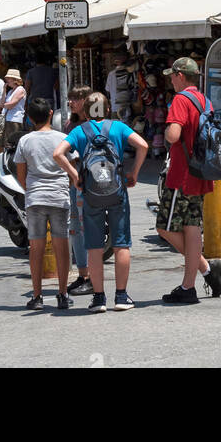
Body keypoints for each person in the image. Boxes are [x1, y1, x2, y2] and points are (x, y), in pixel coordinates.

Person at [53, 106, 148, 312]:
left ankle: (98, 298)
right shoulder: (119, 127)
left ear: (86, 113)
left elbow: (58, 153)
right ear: (107, 109)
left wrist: (75, 175)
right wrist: (134, 172)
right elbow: (143, 145)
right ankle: (121, 296)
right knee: (121, 244)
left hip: (91, 195)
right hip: (117, 191)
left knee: (94, 247)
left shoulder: (79, 131)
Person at [156, 57, 221, 305]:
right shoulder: (204, 100)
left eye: (172, 76)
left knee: (164, 227)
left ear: (181, 76)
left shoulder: (181, 100)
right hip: (200, 173)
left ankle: (201, 272)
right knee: (192, 227)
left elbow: (174, 135)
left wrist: (165, 131)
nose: (170, 80)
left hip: (181, 175)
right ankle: (196, 279)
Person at [13, 97, 73, 311]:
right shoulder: (62, 138)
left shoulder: (25, 141)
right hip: (59, 197)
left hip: (35, 198)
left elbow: (21, 175)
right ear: (50, 114)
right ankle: (63, 293)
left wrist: (30, 190)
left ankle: (37, 296)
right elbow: (72, 167)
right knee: (61, 246)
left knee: (36, 248)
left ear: (29, 118)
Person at [62, 86, 95, 295]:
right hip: (74, 183)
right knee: (75, 228)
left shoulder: (94, 125)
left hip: (90, 182)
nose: (71, 102)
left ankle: (91, 276)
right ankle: (83, 275)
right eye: (71, 98)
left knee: (86, 228)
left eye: (76, 98)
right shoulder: (70, 125)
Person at [24, 49, 59, 114]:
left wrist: (25, 102)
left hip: (35, 101)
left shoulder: (31, 72)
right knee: (48, 121)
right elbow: (57, 86)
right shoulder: (53, 71)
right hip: (49, 101)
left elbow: (27, 88)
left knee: (36, 121)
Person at [105, 50, 136, 118]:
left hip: (115, 107)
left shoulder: (111, 74)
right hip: (127, 107)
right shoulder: (130, 73)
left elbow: (108, 90)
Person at [0, 69, 26, 149]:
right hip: (8, 119)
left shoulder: (20, 89)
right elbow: (3, 102)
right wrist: (4, 90)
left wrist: (3, 105)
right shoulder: (11, 91)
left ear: (15, 80)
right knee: (7, 144)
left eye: (9, 78)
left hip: (15, 120)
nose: (6, 80)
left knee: (13, 144)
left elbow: (11, 104)